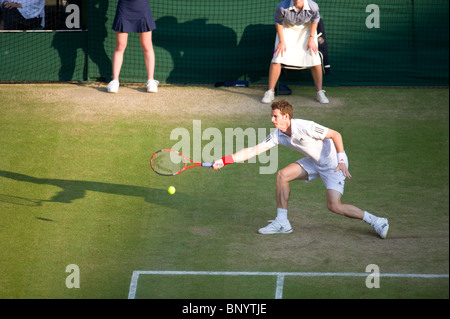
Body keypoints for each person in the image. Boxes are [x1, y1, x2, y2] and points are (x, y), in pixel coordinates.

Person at [213, 100, 389, 239]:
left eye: (275, 116)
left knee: (334, 206)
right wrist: (224, 160)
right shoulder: (278, 135)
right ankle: (282, 222)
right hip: (314, 162)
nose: (272, 119)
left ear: (286, 117)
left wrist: (341, 159)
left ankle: (377, 221)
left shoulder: (306, 126)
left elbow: (336, 134)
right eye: (272, 116)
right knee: (282, 175)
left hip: (333, 164)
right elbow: (253, 150)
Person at [262, 0, 329, 104]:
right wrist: (282, 41)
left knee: (315, 59)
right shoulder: (282, 7)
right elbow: (278, 22)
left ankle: (320, 92)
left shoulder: (313, 7)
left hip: (306, 31)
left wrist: (311, 38)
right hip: (287, 30)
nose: (297, 1)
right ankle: (270, 91)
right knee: (277, 57)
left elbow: (315, 20)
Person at [107, 0, 158, 93]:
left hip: (142, 7)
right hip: (124, 7)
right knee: (120, 46)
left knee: (147, 46)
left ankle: (151, 81)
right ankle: (115, 81)